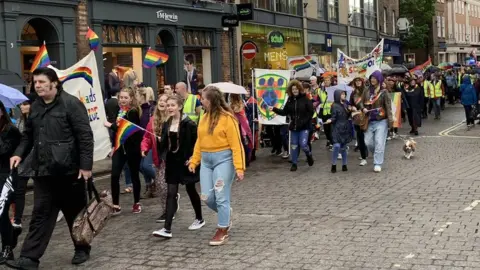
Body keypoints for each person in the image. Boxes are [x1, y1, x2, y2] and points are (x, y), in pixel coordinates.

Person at [8, 67, 94, 269]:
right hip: (44, 170)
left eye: (41, 82)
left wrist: (86, 166)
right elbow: (29, 135)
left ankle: (82, 248)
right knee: (40, 214)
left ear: (54, 83)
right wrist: (19, 153)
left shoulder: (71, 104)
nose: (37, 85)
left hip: (70, 171)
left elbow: (85, 136)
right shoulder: (36, 106)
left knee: (75, 214)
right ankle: (29, 258)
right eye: (35, 82)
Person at [188, 86, 245, 246]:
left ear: (211, 100)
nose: (201, 100)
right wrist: (194, 160)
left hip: (224, 160)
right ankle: (225, 213)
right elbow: (199, 140)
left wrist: (239, 167)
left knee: (221, 195)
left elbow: (236, 144)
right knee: (205, 196)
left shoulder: (228, 118)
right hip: (206, 162)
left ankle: (223, 229)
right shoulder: (203, 117)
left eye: (203, 98)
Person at [152, 95, 204, 238]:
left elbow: (196, 144)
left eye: (172, 105)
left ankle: (199, 218)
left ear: (179, 107)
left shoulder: (189, 124)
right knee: (171, 193)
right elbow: (165, 145)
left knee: (191, 190)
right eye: (168, 105)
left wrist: (193, 159)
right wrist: (161, 142)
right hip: (172, 162)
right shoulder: (166, 123)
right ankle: (167, 228)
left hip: (186, 162)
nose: (169, 108)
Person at [104, 88, 143, 215]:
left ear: (131, 99)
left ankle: (136, 202)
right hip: (119, 148)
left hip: (132, 149)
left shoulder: (133, 112)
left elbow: (124, 130)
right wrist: (113, 146)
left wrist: (110, 125)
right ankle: (116, 204)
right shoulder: (119, 111)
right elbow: (118, 134)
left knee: (134, 175)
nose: (123, 100)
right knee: (115, 175)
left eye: (126, 98)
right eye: (121, 97)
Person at [270, 80, 314, 172]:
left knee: (303, 144)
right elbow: (284, 112)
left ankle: (308, 154)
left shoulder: (305, 99)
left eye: (296, 89)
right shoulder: (290, 100)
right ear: (291, 90)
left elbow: (311, 113)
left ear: (299, 89)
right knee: (294, 145)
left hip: (304, 126)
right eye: (293, 89)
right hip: (294, 127)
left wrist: (304, 121)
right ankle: (294, 163)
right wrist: (274, 109)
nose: (295, 90)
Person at [0, 101, 21, 264]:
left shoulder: (11, 130)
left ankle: (7, 248)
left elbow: (5, 151)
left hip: (7, 176)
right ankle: (10, 236)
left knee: (1, 212)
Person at [360, 71, 393, 173]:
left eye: (375, 78)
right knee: (368, 142)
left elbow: (388, 106)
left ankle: (377, 163)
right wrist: (363, 109)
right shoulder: (366, 91)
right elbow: (361, 102)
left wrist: (390, 121)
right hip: (369, 120)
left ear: (379, 79)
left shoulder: (384, 92)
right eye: (371, 78)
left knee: (379, 142)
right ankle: (378, 153)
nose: (372, 80)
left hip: (381, 121)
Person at [324, 90, 353, 173]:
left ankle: (344, 164)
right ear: (338, 95)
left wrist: (350, 110)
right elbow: (334, 116)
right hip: (336, 127)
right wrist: (330, 120)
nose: (344, 95)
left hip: (345, 127)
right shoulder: (334, 105)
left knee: (343, 147)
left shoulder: (346, 104)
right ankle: (334, 164)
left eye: (344, 94)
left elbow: (347, 116)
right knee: (336, 146)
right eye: (342, 94)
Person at [350, 77, 368, 166]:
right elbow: (350, 104)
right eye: (356, 81)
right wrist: (351, 107)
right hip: (357, 117)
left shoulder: (367, 91)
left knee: (368, 138)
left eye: (359, 81)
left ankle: (367, 151)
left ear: (362, 82)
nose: (357, 82)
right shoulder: (353, 93)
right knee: (360, 137)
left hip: (367, 116)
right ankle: (363, 157)